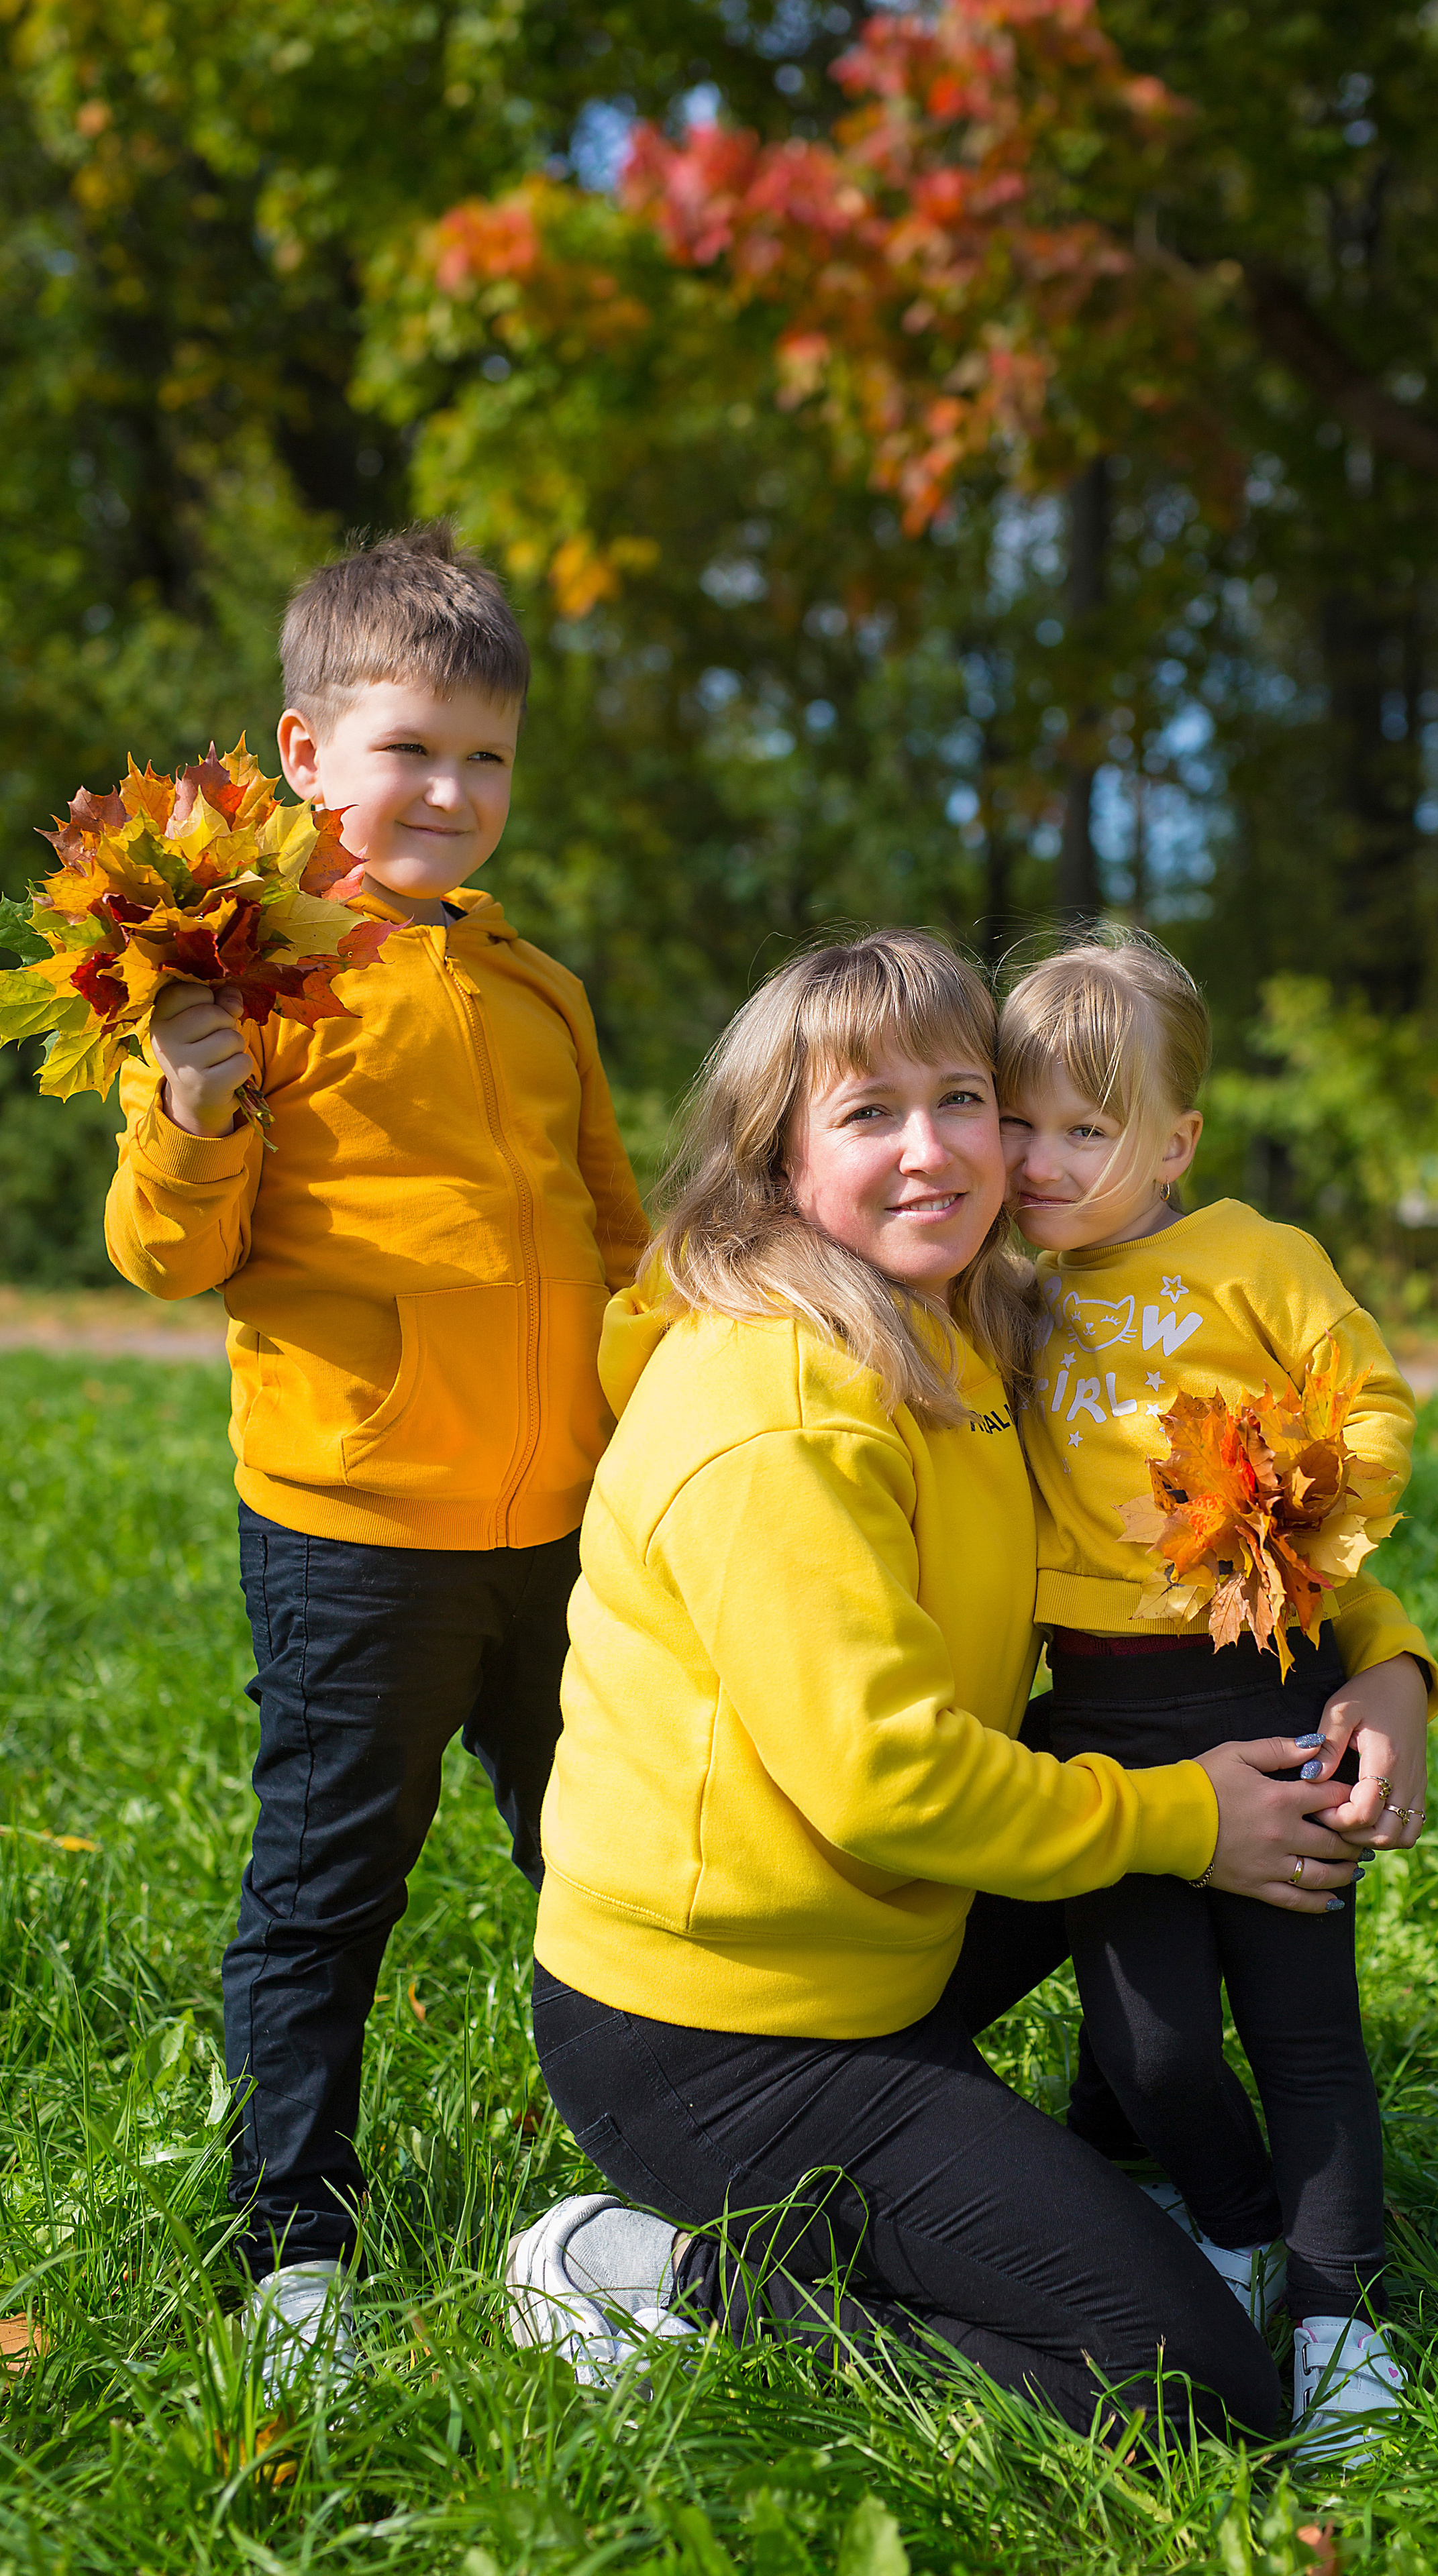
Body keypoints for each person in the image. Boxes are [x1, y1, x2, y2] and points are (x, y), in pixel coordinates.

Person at [513, 928, 1366, 2447]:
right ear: (776, 1157)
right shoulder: (777, 1408)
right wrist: (1185, 1821)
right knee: (1190, 2396)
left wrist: (1388, 1658)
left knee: (1131, 1754)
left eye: (962, 1098)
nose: (933, 1150)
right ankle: (659, 2277)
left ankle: (1136, 2147)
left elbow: (1188, 1517)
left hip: (889, 1936)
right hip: (721, 2031)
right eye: (868, 1113)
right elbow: (884, 1777)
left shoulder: (976, 1328)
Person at [104, 524, 647, 2382]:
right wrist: (194, 1104)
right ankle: (293, 2244)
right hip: (357, 1533)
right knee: (332, 1883)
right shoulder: (241, 979)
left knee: (605, 1861)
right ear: (305, 752)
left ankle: (654, 2174)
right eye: (409, 748)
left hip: (561, 1526)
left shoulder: (534, 985)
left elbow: (612, 1228)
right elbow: (168, 1253)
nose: (451, 791)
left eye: (486, 756)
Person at [994, 932, 1438, 2455]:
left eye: (1086, 1130)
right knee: (1153, 2046)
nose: (1041, 1162)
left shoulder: (1256, 1258)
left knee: (1303, 2029)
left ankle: (1337, 2318)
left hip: (1264, 1679)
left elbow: (1369, 1401)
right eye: (1019, 1123)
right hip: (1101, 1717)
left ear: (1175, 1143)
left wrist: (1307, 1511)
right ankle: (1235, 2225)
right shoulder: (1011, 1294)